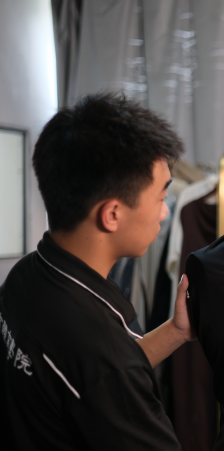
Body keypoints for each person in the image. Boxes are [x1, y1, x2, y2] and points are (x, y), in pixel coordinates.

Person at [0, 93, 194, 450]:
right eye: (161, 197)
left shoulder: (26, 275)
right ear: (113, 214)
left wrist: (176, 332)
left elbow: (87, 379)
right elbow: (105, 372)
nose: (165, 212)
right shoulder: (102, 356)